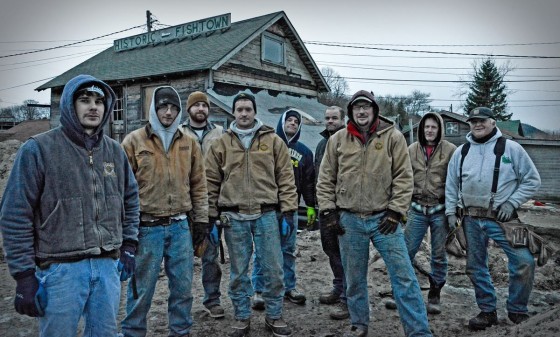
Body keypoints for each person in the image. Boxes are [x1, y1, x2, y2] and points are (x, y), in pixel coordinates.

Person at [0, 74, 140, 336]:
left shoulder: (114, 151)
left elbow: (131, 200)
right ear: (69, 105)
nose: (93, 107)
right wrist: (24, 276)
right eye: (85, 100)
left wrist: (130, 245)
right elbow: (15, 214)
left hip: (107, 265)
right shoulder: (39, 149)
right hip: (60, 270)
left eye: (99, 101)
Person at [317, 90, 432, 337]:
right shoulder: (338, 139)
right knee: (354, 277)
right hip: (349, 220)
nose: (361, 111)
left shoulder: (393, 137)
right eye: (356, 107)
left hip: (384, 220)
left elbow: (404, 177)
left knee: (404, 276)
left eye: (366, 107)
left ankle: (418, 331)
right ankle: (359, 323)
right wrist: (328, 211)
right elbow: (325, 178)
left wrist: (396, 211)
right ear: (350, 112)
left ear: (374, 110)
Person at [205, 92, 298, 337]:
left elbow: (286, 178)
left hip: (266, 215)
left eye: (248, 109)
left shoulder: (273, 141)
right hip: (234, 218)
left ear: (255, 112)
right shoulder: (221, 144)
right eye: (239, 109)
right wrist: (210, 217)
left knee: (274, 269)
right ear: (233, 113)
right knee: (238, 272)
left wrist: (288, 212)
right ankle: (242, 317)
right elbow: (210, 182)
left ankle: (274, 315)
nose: (244, 113)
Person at [120, 86, 209, 337]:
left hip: (181, 227)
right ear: (153, 109)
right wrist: (125, 230)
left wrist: (201, 222)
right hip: (146, 228)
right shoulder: (134, 141)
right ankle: (133, 332)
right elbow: (121, 190)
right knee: (141, 289)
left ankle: (180, 331)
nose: (168, 112)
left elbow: (198, 185)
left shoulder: (188, 143)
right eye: (163, 107)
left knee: (182, 287)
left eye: (174, 108)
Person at [445, 107, 541, 330]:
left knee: (524, 261)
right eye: (473, 121)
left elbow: (531, 180)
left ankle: (517, 310)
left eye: (482, 120)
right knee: (475, 266)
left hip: (502, 218)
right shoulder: (462, 152)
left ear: (493, 121)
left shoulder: (511, 149)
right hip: (469, 218)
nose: (477, 124)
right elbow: (451, 184)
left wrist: (512, 202)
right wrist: (451, 212)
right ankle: (487, 311)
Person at [385, 112, 456, 314]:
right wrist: (399, 207)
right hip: (416, 208)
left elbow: (455, 181)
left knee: (439, 255)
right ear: (421, 130)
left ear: (439, 129)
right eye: (426, 127)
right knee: (406, 251)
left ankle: (434, 295)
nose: (430, 131)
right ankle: (400, 293)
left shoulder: (450, 151)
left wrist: (453, 210)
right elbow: (402, 177)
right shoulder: (412, 149)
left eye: (434, 127)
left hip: (440, 209)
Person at [251, 109, 315, 310]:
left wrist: (311, 205)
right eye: (289, 120)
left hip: (292, 208)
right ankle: (259, 289)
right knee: (262, 250)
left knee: (288, 250)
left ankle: (289, 287)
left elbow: (308, 182)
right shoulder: (267, 146)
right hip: (268, 208)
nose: (293, 124)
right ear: (281, 122)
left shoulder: (305, 152)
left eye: (296, 121)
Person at [181, 91, 225, 319]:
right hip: (183, 205)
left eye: (204, 106)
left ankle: (212, 299)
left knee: (210, 256)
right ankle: (181, 302)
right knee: (182, 259)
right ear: (188, 109)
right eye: (196, 105)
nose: (200, 109)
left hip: (210, 205)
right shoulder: (178, 133)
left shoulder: (220, 134)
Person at [313, 106, 349, 320]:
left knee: (347, 253)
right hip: (324, 207)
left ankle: (347, 297)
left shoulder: (348, 141)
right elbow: (317, 175)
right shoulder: (321, 144)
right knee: (330, 250)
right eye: (327, 118)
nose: (330, 121)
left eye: (334, 118)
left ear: (342, 119)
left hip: (344, 208)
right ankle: (338, 287)